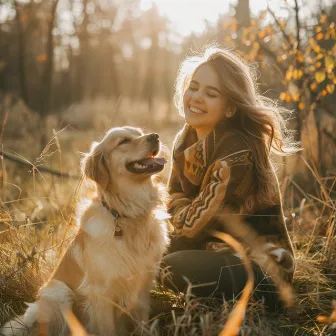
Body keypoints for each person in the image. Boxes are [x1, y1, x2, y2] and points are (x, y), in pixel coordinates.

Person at [162, 46, 300, 311]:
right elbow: (173, 199)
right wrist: (178, 210)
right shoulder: (186, 138)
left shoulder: (236, 154)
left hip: (262, 268)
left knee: (167, 266)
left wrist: (178, 210)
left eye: (211, 93)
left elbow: (190, 226)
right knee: (138, 249)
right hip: (210, 249)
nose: (197, 97)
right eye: (194, 87)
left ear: (229, 108)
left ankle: (255, 300)